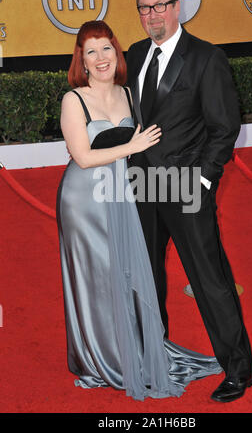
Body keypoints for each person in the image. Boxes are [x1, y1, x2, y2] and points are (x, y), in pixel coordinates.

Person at [56, 20, 222, 402]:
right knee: (98, 279)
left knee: (129, 272)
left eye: (107, 48)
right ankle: (103, 358)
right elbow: (82, 157)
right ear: (81, 59)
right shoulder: (74, 99)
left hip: (127, 193)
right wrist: (132, 147)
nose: (100, 58)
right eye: (91, 51)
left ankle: (136, 349)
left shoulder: (131, 94)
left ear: (118, 53)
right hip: (85, 202)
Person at [127, 0, 252, 402]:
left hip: (185, 186)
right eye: (145, 7)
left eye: (160, 5)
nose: (152, 14)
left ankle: (238, 369)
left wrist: (201, 179)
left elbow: (225, 127)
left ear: (176, 6)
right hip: (142, 185)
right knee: (147, 279)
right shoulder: (135, 53)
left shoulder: (205, 57)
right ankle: (152, 356)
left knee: (209, 279)